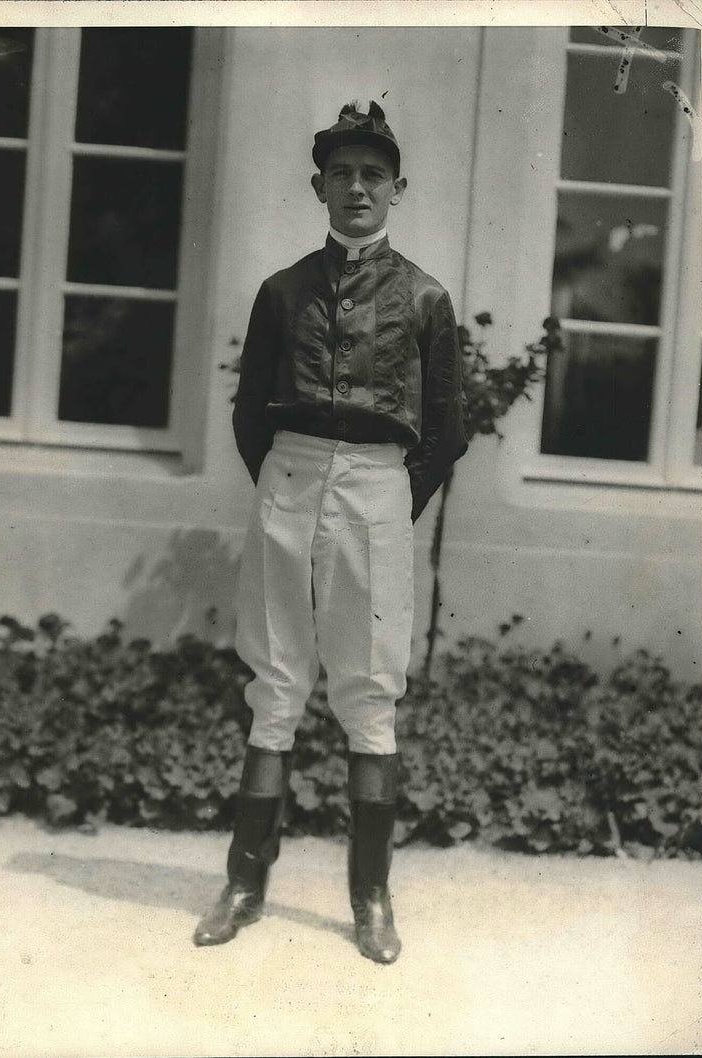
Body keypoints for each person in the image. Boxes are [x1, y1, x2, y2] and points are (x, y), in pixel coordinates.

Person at [193, 101, 467, 964]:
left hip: (380, 489)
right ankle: (244, 882)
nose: (357, 187)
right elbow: (248, 418)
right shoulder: (282, 291)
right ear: (320, 186)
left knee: (368, 692)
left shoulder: (425, 298)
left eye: (373, 175)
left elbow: (447, 427)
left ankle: (371, 896)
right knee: (276, 679)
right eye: (342, 173)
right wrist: (289, 484)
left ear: (397, 190)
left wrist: (386, 502)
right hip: (291, 475)